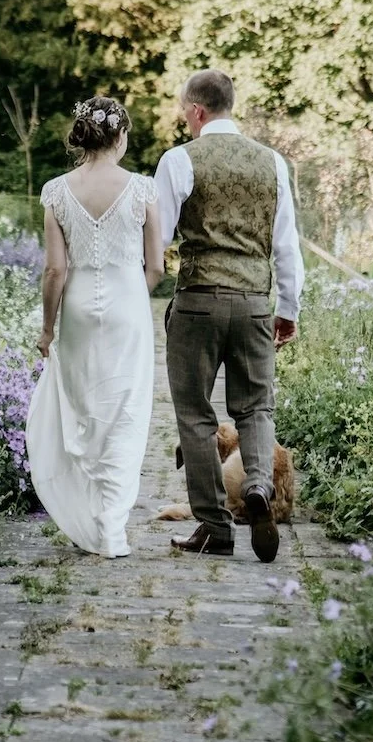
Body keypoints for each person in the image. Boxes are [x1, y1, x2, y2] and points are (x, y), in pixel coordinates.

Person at [154, 69, 303, 562]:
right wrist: (288, 307)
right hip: (255, 305)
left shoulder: (179, 160)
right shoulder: (272, 163)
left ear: (196, 110)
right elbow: (286, 245)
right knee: (256, 407)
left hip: (198, 300)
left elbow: (157, 239)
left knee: (195, 415)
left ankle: (216, 527)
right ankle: (258, 486)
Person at [26, 96, 165, 558]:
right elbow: (157, 268)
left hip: (79, 308)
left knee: (83, 407)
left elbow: (54, 272)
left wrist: (48, 330)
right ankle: (112, 529)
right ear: (120, 137)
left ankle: (90, 514)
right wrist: (131, 293)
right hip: (129, 307)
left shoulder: (56, 191)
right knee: (125, 410)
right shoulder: (144, 190)